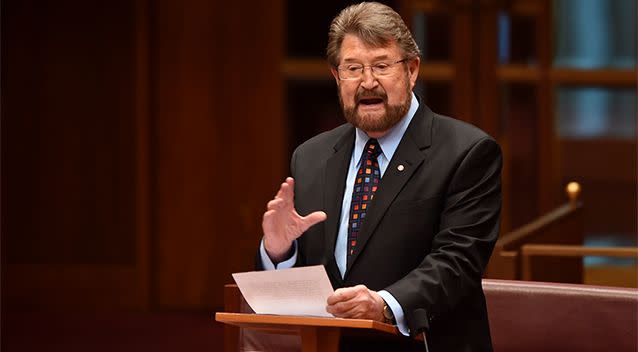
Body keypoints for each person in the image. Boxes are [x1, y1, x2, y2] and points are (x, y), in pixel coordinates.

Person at [257, 2, 501, 351]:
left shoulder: (468, 152)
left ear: (412, 70)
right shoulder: (310, 157)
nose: (368, 82)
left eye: (382, 66)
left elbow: (457, 262)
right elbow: (308, 279)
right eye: (353, 68)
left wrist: (385, 304)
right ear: (336, 76)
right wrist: (280, 252)